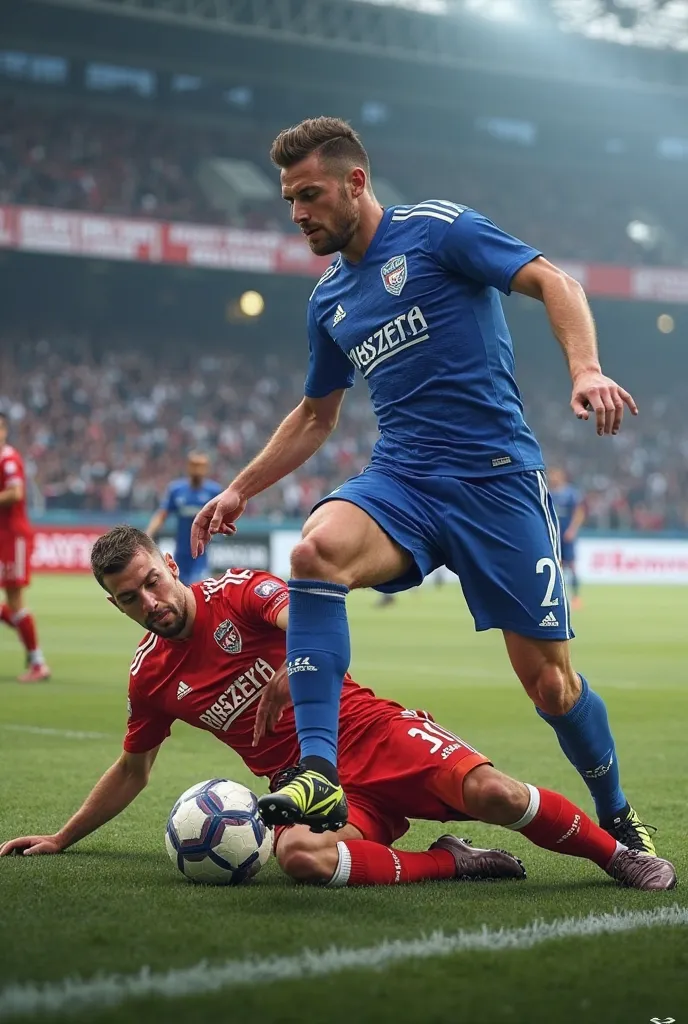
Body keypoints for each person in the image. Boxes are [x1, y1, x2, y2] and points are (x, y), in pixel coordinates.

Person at [191, 118, 652, 855]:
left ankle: (617, 811)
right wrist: (239, 489)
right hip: (403, 478)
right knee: (314, 553)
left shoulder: (438, 232)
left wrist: (586, 368)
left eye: (309, 195)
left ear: (356, 183)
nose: (298, 213)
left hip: (495, 480)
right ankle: (318, 769)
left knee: (552, 688)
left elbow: (551, 280)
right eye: (289, 201)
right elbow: (317, 413)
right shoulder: (329, 300)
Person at [0, 527, 674, 892]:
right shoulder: (149, 678)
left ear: (170, 566)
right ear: (116, 606)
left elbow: (305, 615)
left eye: (152, 582)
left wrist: (297, 667)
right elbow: (132, 769)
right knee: (301, 860)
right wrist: (62, 837)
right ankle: (455, 862)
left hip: (371, 733)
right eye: (130, 599)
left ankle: (617, 856)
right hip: (307, 789)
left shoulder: (238, 593)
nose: (150, 602)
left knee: (496, 792)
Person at [0, 413, 50, 682]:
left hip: (13, 537)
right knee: (13, 602)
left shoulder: (8, 459)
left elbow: (16, 494)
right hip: (2, 536)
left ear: (4, 430)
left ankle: (38, 663)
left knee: (15, 599)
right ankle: (35, 656)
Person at [146, 452, 222, 585]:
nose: (197, 469)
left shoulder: (213, 491)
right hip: (181, 551)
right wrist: (149, 533)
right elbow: (162, 514)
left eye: (201, 466)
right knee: (179, 587)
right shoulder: (177, 490)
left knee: (198, 587)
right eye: (194, 465)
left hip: (201, 552)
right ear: (188, 467)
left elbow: (223, 516)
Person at [548, 467, 585, 610]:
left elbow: (579, 512)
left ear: (562, 476)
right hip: (553, 534)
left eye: (555, 474)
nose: (552, 477)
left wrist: (573, 529)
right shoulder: (548, 492)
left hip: (566, 534)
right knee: (557, 566)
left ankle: (576, 597)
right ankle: (559, 596)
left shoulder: (571, 493)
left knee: (571, 565)